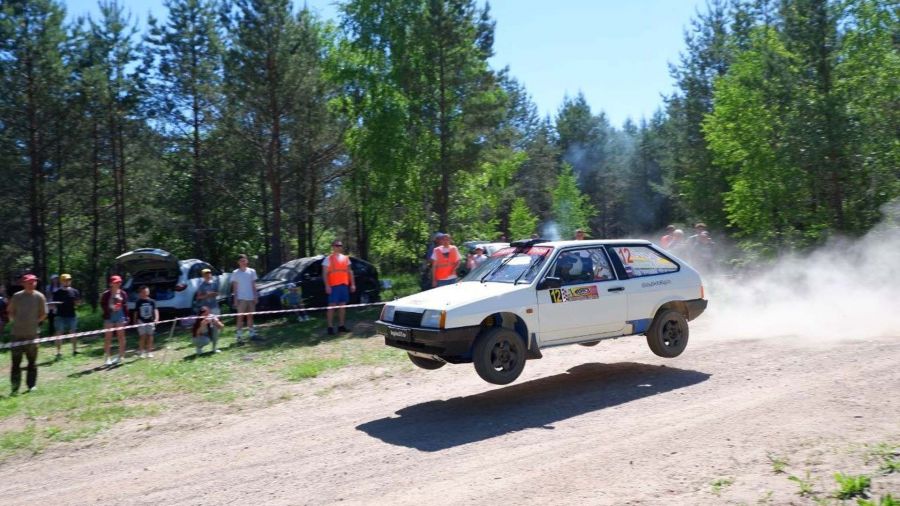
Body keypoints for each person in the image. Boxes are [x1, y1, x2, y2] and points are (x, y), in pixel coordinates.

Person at [7, 274, 46, 394]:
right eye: (29, 282)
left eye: (34, 282)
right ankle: (15, 388)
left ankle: (31, 385)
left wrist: (33, 323)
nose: (32, 284)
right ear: (23, 283)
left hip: (32, 335)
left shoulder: (40, 297)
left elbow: (43, 314)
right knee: (16, 363)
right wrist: (17, 322)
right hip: (17, 335)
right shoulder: (17, 296)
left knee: (32, 362)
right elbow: (10, 311)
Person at [324, 240, 356, 335]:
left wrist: (353, 284)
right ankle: (330, 327)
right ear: (333, 247)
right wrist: (327, 285)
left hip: (344, 285)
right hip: (333, 286)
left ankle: (341, 326)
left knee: (342, 306)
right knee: (332, 306)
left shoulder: (346, 258)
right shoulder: (328, 259)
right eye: (336, 245)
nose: (338, 247)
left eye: (340, 245)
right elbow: (325, 274)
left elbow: (350, 272)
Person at [231, 254, 259, 344]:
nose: (243, 262)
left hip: (250, 298)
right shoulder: (235, 273)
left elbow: (254, 285)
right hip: (240, 299)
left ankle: (252, 335)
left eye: (244, 260)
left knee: (250, 317)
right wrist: (235, 299)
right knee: (240, 318)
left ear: (247, 261)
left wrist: (255, 296)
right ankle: (239, 337)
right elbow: (235, 287)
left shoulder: (252, 271)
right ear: (238, 262)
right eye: (241, 261)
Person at [100, 275, 129, 365]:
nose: (118, 284)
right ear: (111, 283)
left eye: (119, 282)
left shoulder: (123, 293)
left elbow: (125, 306)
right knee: (108, 337)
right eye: (116, 282)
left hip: (120, 316)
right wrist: (111, 308)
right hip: (109, 317)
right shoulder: (106, 294)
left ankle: (121, 356)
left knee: (121, 336)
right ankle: (107, 357)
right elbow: (102, 305)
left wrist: (127, 316)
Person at [52, 273, 81, 357]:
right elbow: (54, 304)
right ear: (61, 281)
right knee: (59, 333)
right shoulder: (57, 292)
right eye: (65, 280)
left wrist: (77, 303)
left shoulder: (75, 291)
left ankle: (75, 350)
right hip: (60, 315)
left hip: (72, 315)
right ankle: (58, 352)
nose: (67, 282)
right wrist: (55, 305)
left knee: (73, 332)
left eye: (69, 280)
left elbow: (77, 303)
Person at [132, 285, 158, 358]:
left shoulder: (152, 301)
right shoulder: (138, 302)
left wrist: (156, 318)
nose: (145, 293)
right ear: (140, 293)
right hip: (141, 321)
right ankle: (141, 351)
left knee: (150, 336)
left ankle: (149, 352)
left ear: (148, 292)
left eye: (146, 292)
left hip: (150, 321)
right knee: (142, 336)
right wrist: (135, 321)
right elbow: (136, 312)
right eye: (143, 292)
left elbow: (155, 310)